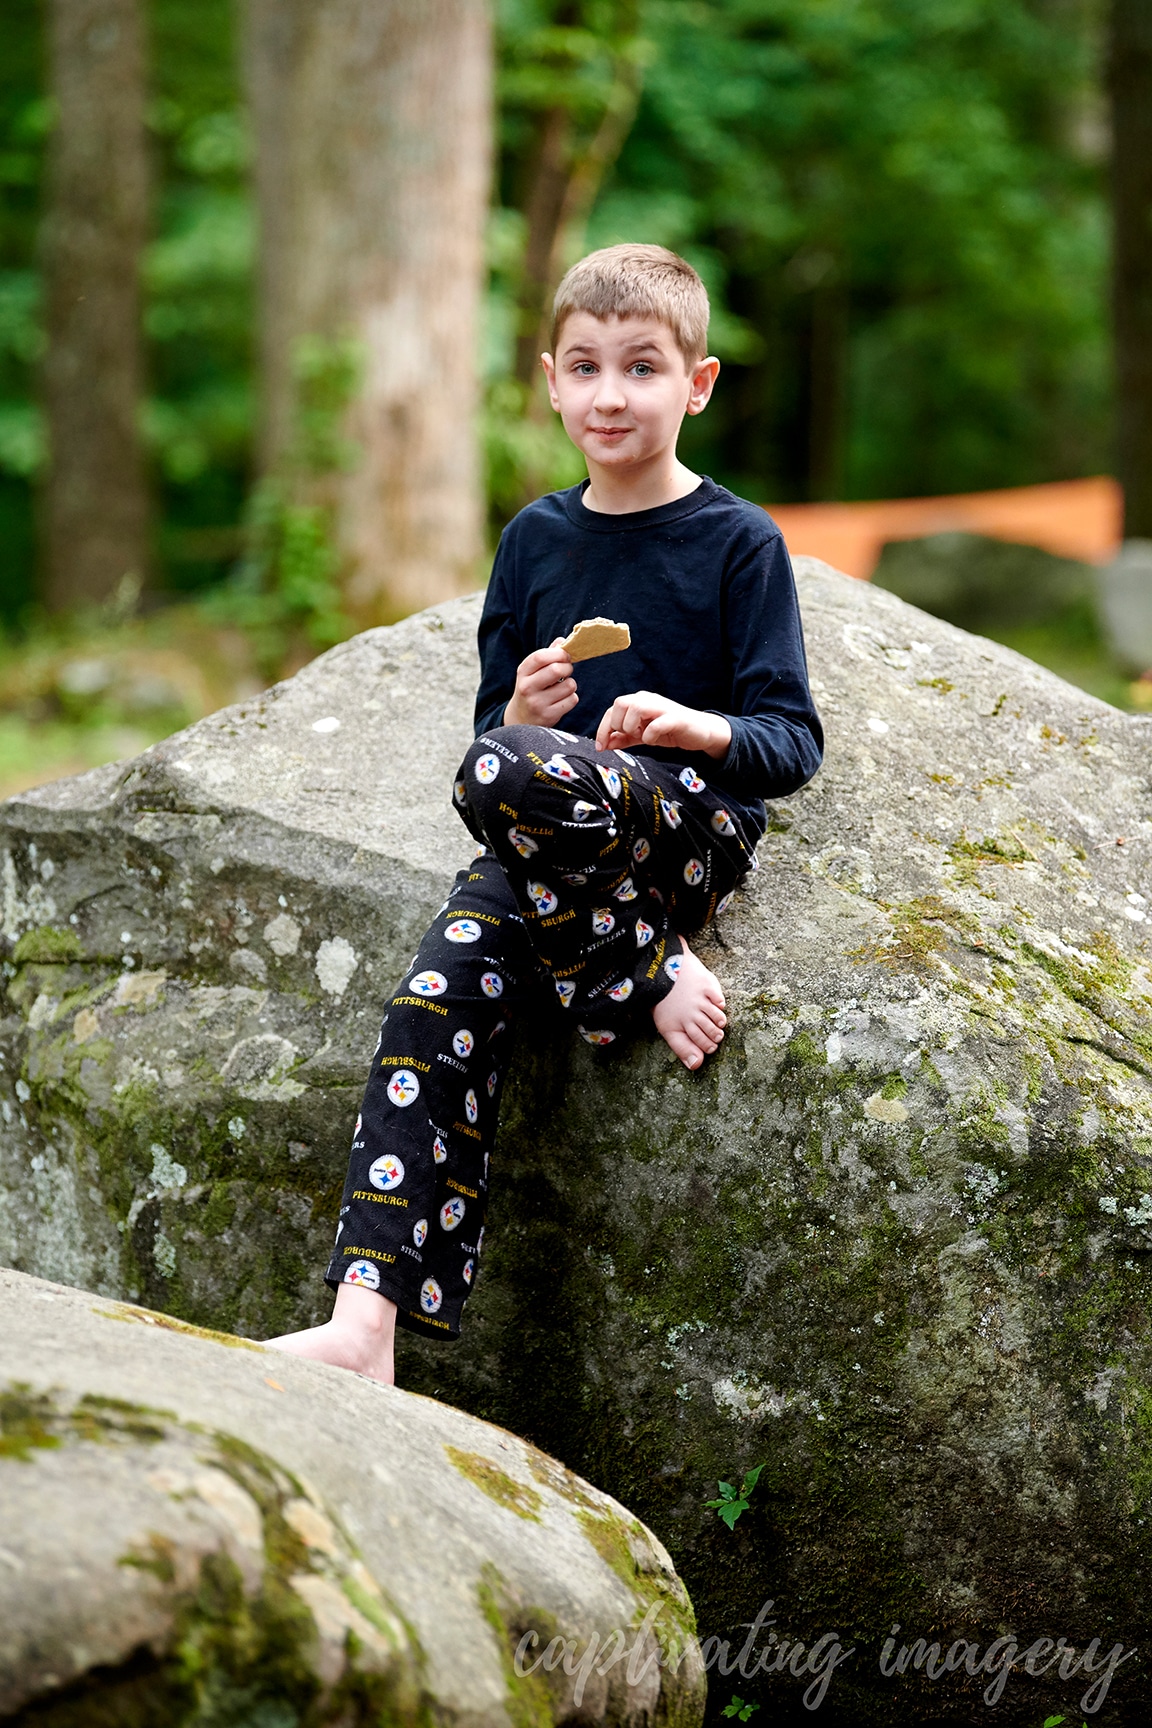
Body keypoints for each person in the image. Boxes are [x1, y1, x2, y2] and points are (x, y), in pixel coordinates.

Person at [268, 243, 823, 1385]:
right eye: (585, 367)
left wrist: (689, 724)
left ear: (698, 384)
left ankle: (633, 956)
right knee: (434, 1001)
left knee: (506, 778)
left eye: (642, 368)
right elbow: (491, 748)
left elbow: (790, 743)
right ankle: (367, 1325)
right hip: (547, 838)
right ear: (550, 380)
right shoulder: (533, 540)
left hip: (677, 823)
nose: (610, 394)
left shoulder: (738, 544)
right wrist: (521, 710)